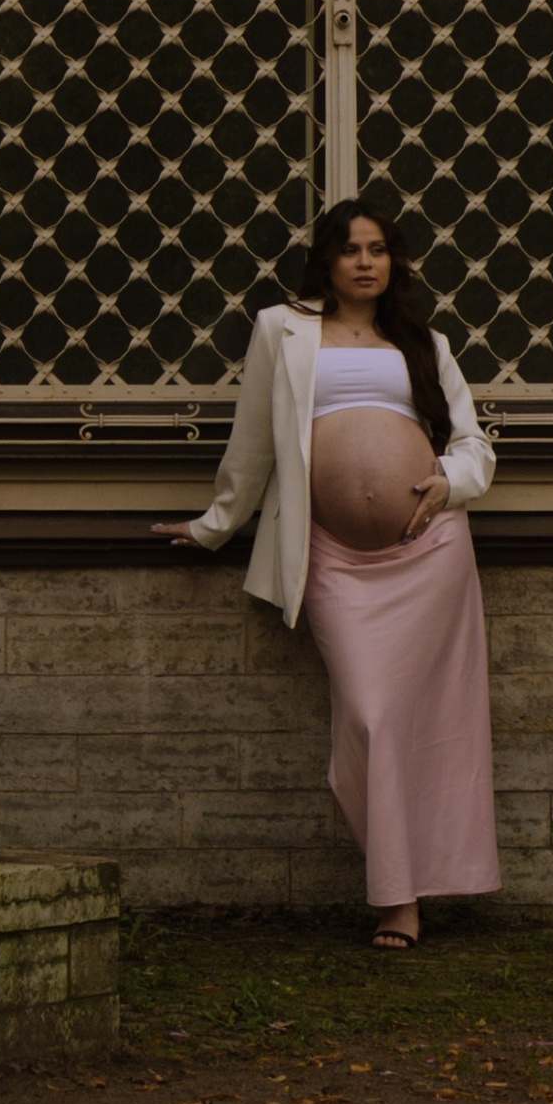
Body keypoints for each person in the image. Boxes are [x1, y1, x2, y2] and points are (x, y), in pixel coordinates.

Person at [160, 202, 500, 950]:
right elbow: (253, 445)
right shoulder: (281, 329)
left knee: (434, 727)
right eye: (350, 250)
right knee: (370, 716)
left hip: (429, 554)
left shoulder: (423, 340)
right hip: (335, 558)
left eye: (378, 249)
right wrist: (215, 525)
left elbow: (475, 442)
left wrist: (449, 480)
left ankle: (401, 904)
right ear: (326, 261)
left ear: (394, 261)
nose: (365, 262)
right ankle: (397, 882)